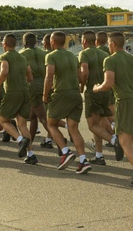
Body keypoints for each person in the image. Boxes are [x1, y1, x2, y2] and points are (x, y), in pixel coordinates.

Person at [96, 32, 133, 185]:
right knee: (129, 136)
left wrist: (97, 88)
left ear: (112, 44)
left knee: (123, 141)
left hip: (124, 101)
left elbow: (108, 83)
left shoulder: (110, 60)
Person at [43, 31, 90, 174]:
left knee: (51, 124)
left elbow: (49, 76)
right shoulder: (72, 56)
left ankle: (65, 151)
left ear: (52, 42)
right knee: (74, 128)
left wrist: (45, 94)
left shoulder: (51, 56)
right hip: (75, 94)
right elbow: (80, 77)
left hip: (61, 94)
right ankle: (83, 160)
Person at [0, 33, 36, 163]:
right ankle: (31, 154)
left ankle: (20, 140)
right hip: (25, 91)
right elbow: (30, 77)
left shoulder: (4, 56)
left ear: (5, 44)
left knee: (3, 120)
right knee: (22, 125)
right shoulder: (22, 57)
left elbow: (4, 71)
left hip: (12, 92)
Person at [79, 31, 116, 165]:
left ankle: (114, 140)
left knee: (92, 125)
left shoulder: (84, 53)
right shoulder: (104, 54)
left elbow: (84, 73)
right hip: (105, 91)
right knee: (101, 121)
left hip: (93, 91)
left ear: (84, 41)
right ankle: (99, 155)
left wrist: (82, 86)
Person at [19, 33, 52, 152]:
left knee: (42, 116)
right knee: (33, 116)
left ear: (24, 42)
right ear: (36, 42)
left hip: (31, 85)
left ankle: (60, 142)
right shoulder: (43, 53)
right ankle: (30, 143)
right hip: (43, 83)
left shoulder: (22, 54)